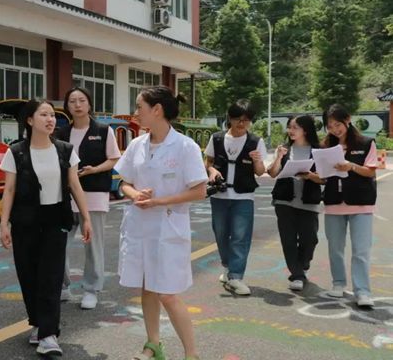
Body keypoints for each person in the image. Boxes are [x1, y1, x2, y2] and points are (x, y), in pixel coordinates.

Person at [115, 86, 206, 360]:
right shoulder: (137, 144)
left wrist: (159, 201)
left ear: (157, 110)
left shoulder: (185, 147)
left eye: (139, 107)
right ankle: (153, 344)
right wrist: (135, 194)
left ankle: (191, 354)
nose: (135, 113)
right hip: (141, 226)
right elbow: (123, 183)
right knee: (147, 287)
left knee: (167, 293)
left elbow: (199, 191)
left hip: (168, 227)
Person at [0, 99, 93, 356]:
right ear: (30, 120)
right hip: (24, 220)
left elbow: (75, 185)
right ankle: (38, 324)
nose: (50, 119)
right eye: (44, 115)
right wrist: (4, 223)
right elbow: (9, 190)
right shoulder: (16, 151)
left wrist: (86, 218)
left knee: (51, 277)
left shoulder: (65, 150)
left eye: (52, 115)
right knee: (28, 275)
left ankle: (49, 334)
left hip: (55, 219)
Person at [56, 87, 121, 310]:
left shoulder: (103, 131)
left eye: (82, 100)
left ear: (89, 104)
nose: (77, 105)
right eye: (72, 101)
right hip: (65, 196)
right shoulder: (61, 132)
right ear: (67, 106)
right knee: (58, 244)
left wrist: (95, 170)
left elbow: (114, 158)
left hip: (93, 194)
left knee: (93, 245)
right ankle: (63, 286)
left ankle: (91, 289)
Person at [204, 99, 267, 296]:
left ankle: (236, 276)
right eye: (238, 119)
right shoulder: (216, 138)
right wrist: (212, 171)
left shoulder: (256, 141)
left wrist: (257, 161)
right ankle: (228, 266)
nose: (242, 124)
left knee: (240, 236)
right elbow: (208, 162)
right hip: (220, 195)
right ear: (229, 118)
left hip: (244, 196)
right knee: (221, 233)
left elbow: (260, 171)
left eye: (246, 120)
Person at [321, 104, 378, 308]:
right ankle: (338, 283)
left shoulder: (366, 143)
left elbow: (370, 171)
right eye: (330, 126)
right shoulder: (325, 146)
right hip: (333, 203)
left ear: (348, 120)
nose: (335, 130)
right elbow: (322, 175)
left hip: (361, 203)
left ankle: (362, 291)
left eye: (338, 124)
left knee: (361, 250)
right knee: (335, 248)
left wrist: (351, 166)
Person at [267, 115, 324, 291]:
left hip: (309, 201)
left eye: (294, 127)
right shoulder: (284, 149)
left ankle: (302, 265)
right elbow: (272, 173)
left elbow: (325, 178)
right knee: (288, 240)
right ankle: (297, 275)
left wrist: (310, 176)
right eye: (289, 127)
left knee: (310, 239)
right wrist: (278, 157)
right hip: (284, 200)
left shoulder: (318, 150)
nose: (290, 131)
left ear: (305, 130)